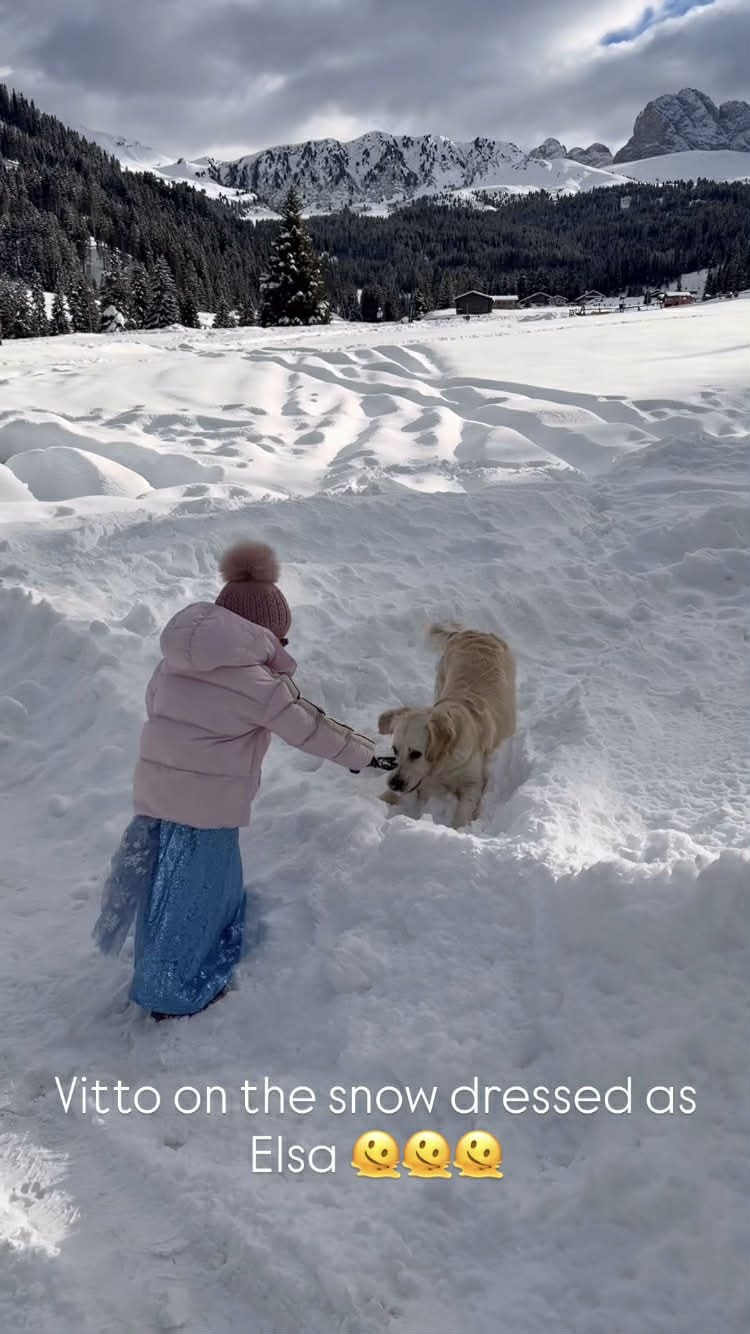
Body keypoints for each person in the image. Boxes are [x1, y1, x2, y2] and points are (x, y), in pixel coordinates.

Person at [93, 541, 375, 1020]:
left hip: (158, 798)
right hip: (208, 810)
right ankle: (172, 993)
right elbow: (312, 730)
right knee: (200, 900)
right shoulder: (257, 684)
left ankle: (159, 970)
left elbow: (157, 711)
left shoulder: (173, 662)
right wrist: (366, 757)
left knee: (167, 891)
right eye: (281, 638)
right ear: (265, 632)